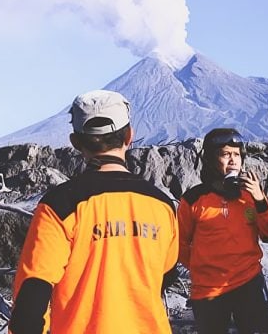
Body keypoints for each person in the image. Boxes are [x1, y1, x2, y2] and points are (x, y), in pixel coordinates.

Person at [9, 90, 179, 334]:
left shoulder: (61, 204)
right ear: (129, 136)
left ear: (75, 142)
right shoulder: (161, 204)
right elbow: (167, 273)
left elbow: (31, 295)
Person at [178, 128, 268, 333]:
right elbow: (179, 244)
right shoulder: (193, 199)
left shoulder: (251, 194)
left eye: (237, 155)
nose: (233, 160)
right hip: (209, 290)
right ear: (210, 159)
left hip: (249, 282)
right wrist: (204, 268)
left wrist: (260, 200)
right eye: (225, 154)